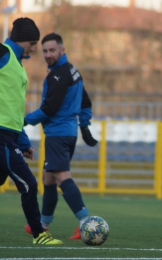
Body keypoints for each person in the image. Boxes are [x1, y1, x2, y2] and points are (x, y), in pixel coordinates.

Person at [24, 33, 98, 239]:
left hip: (58, 133)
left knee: (61, 176)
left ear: (62, 50)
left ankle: (86, 222)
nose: (48, 54)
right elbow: (85, 102)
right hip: (68, 133)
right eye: (45, 51)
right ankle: (42, 224)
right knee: (48, 178)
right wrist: (84, 126)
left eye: (52, 50)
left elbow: (49, 108)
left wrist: (24, 120)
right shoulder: (73, 71)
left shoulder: (58, 75)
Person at [0, 18, 62, 245]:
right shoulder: (3, 53)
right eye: (33, 43)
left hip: (10, 136)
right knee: (29, 184)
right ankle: (39, 234)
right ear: (21, 39)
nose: (35, 48)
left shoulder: (16, 63)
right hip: (1, 136)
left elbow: (15, 107)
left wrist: (23, 141)